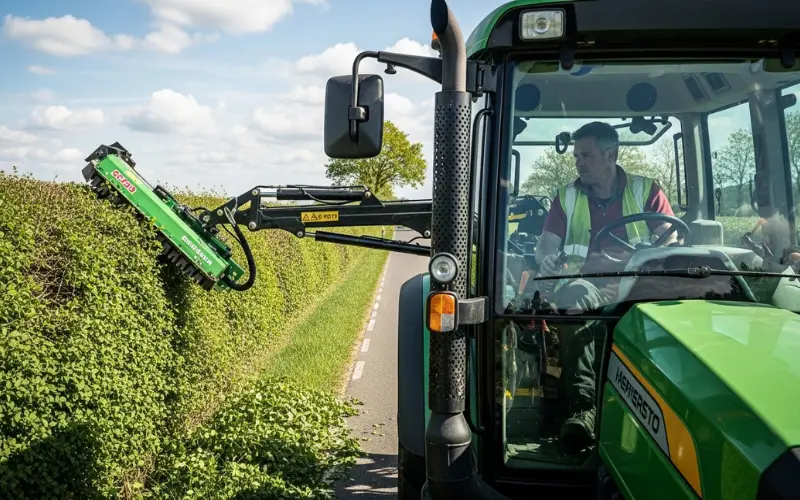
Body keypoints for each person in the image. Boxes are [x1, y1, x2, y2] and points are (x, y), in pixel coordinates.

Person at [533, 121, 677, 450]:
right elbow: (546, 243)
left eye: (586, 155)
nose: (578, 162)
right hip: (588, 285)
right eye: (576, 156)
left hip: (642, 285)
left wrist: (659, 250)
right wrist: (546, 258)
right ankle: (584, 409)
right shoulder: (567, 197)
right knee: (576, 298)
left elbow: (673, 235)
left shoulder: (646, 190)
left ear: (611, 155)